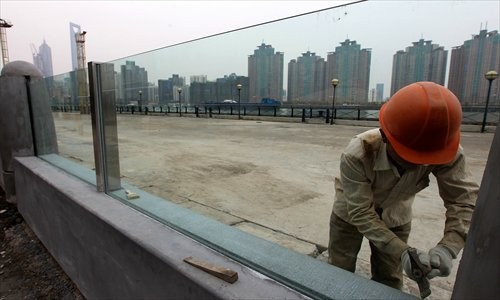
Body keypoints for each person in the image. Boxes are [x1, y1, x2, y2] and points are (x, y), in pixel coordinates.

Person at [328, 81, 478, 290]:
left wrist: (448, 247)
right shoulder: (358, 153)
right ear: (386, 135)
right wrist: (401, 251)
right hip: (349, 213)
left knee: (390, 278)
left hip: (396, 215)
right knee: (338, 270)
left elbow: (464, 200)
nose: (419, 164)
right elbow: (361, 212)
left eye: (426, 158)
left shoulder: (443, 149)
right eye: (411, 156)